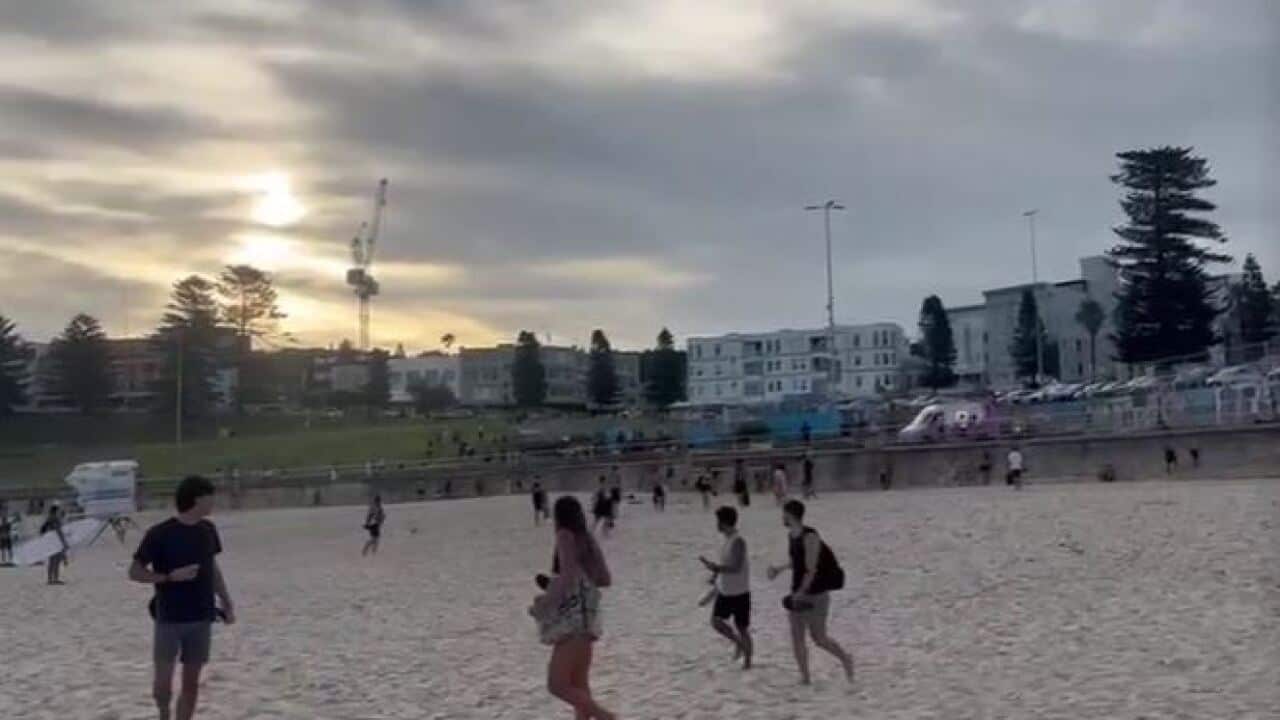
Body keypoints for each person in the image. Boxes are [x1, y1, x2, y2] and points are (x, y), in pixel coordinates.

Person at [129, 476, 235, 720]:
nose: (214, 501)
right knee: (163, 687)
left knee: (191, 685)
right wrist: (168, 577)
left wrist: (226, 601)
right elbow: (134, 572)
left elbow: (213, 568)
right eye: (210, 496)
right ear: (197, 498)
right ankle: (164, 714)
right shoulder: (160, 534)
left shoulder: (208, 530)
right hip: (169, 618)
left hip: (201, 617)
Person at [528, 496, 615, 720]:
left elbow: (567, 577)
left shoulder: (565, 536)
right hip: (589, 619)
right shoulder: (587, 539)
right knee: (579, 684)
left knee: (557, 684)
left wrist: (544, 605)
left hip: (572, 620)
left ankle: (607, 717)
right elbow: (605, 578)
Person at [766, 500, 854, 685]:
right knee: (797, 638)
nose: (782, 517)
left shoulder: (811, 536)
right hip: (797, 592)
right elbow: (797, 562)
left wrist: (802, 591)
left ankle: (846, 658)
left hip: (816, 594)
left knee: (819, 638)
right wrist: (779, 569)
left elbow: (811, 569)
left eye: (784, 514)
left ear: (791, 514)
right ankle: (805, 678)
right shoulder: (792, 535)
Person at [700, 506, 753, 669]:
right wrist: (715, 576)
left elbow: (736, 567)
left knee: (742, 628)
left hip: (739, 592)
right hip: (725, 590)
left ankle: (748, 662)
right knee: (716, 622)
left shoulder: (738, 541)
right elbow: (725, 565)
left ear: (723, 522)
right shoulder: (727, 540)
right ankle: (738, 643)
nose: (716, 524)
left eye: (718, 521)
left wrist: (715, 568)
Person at [42, 504, 69, 585]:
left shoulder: (49, 519)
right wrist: (64, 542)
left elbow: (44, 530)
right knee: (56, 561)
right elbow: (58, 531)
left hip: (50, 541)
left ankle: (50, 579)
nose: (59, 512)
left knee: (52, 561)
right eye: (58, 511)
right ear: (55, 511)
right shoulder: (54, 519)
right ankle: (54, 579)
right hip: (55, 541)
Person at [0, 500, 12, 566]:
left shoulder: (7, 525)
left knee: (8, 548)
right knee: (3, 549)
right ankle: (4, 559)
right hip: (4, 537)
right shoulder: (3, 526)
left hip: (6, 537)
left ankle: (9, 558)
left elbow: (9, 530)